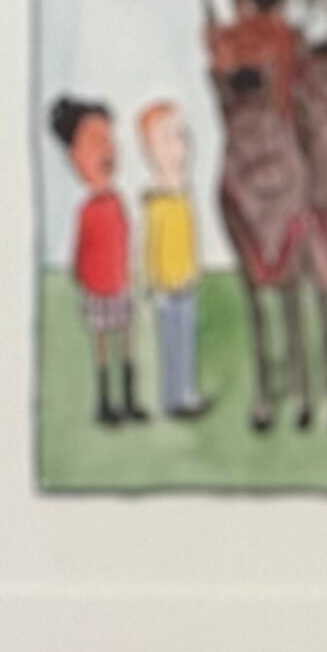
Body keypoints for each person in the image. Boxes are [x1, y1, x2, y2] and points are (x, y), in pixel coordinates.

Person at [50, 95, 140, 425]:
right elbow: (81, 250)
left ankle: (129, 398)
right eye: (93, 141)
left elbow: (126, 240)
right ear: (74, 157)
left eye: (108, 139)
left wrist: (128, 272)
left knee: (126, 341)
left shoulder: (117, 202)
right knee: (103, 344)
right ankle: (105, 402)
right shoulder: (87, 211)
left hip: (119, 285)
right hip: (97, 287)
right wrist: (82, 275)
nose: (107, 149)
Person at [135, 99, 209, 418]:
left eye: (181, 135)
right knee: (170, 342)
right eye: (167, 138)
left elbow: (190, 238)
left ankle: (186, 394)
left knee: (186, 339)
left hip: (186, 281)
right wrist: (151, 280)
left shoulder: (184, 193)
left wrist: (194, 267)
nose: (178, 146)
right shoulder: (156, 200)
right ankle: (171, 397)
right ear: (151, 150)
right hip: (166, 286)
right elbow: (150, 246)